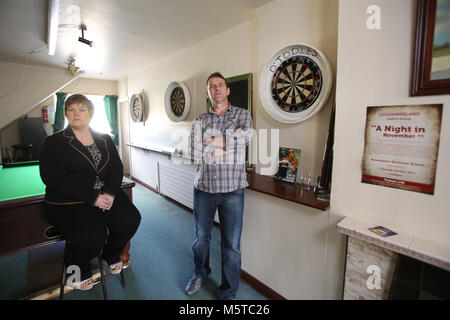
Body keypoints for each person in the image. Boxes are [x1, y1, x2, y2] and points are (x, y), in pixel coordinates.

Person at [39, 94, 141, 290]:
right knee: (93, 236)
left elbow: (117, 168)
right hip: (70, 200)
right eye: (71, 109)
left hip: (105, 193)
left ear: (90, 114)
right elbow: (52, 178)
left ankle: (111, 254)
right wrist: (93, 198)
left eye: (82, 109)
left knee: (130, 220)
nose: (77, 113)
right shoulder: (53, 142)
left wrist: (110, 193)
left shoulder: (105, 138)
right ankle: (76, 268)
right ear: (66, 113)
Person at [185, 72, 253, 300]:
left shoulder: (243, 115)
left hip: (233, 189)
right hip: (203, 188)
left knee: (231, 245)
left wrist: (212, 143)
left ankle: (228, 292)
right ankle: (200, 273)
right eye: (211, 86)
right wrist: (228, 145)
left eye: (220, 85)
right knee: (200, 239)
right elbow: (194, 150)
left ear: (228, 90)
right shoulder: (200, 119)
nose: (216, 89)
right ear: (207, 92)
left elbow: (245, 138)